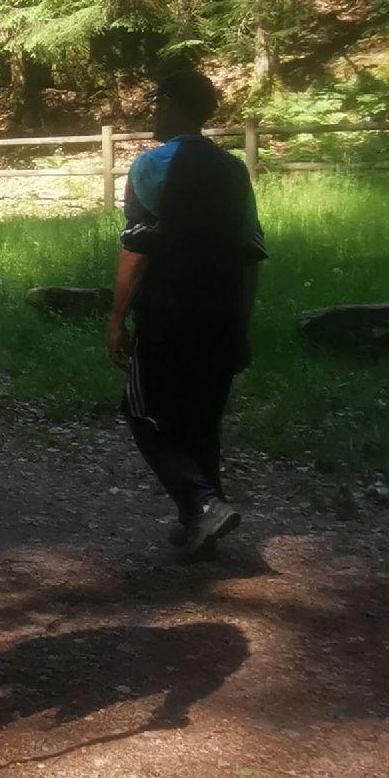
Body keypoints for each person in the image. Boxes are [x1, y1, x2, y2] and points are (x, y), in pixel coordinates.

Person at [108, 65, 266, 554]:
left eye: (157, 101)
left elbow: (137, 249)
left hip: (168, 312)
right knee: (202, 421)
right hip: (222, 314)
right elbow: (250, 253)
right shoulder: (234, 169)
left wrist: (116, 319)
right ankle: (201, 527)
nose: (153, 111)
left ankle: (202, 505)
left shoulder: (152, 165)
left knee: (142, 411)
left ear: (171, 104)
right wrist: (241, 324)